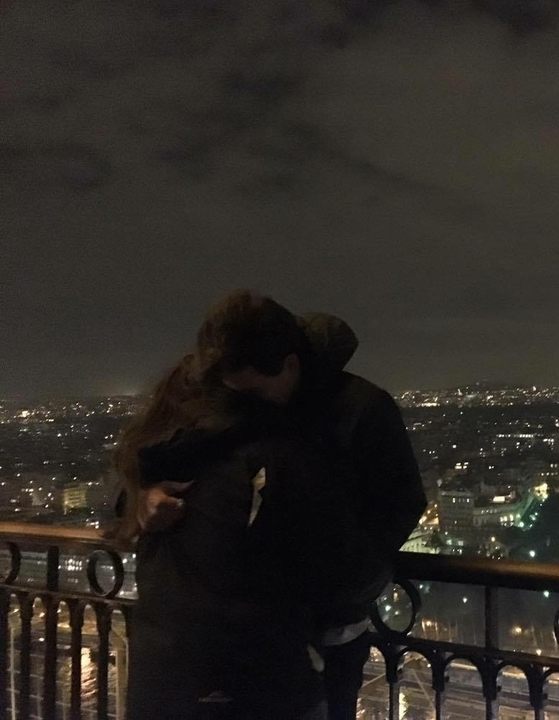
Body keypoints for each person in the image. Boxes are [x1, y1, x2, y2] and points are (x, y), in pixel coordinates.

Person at [138, 291, 426, 720]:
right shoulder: (241, 398)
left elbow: (399, 507)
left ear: (290, 364)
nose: (243, 404)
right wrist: (143, 498)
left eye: (253, 392)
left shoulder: (361, 409)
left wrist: (340, 590)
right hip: (254, 641)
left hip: (325, 630)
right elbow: (172, 464)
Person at [115, 355, 380, 720]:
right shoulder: (268, 463)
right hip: (264, 682)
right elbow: (332, 565)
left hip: (162, 682)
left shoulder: (153, 475)